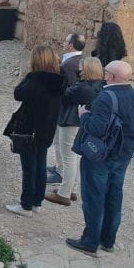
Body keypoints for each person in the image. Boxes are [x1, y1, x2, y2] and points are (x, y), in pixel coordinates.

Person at [66, 60, 134, 256]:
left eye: (106, 72)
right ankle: (108, 240)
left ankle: (90, 241)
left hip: (101, 156)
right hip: (124, 154)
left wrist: (84, 115)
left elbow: (95, 128)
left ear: (110, 76)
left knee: (94, 196)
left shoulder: (105, 97)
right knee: (114, 195)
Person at [5, 46, 66, 217]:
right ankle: (36, 202)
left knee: (29, 167)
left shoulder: (36, 80)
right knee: (40, 165)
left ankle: (26, 205)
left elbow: (18, 93)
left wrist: (28, 76)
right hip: (47, 128)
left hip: (30, 129)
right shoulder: (60, 80)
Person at [45, 57, 104, 206]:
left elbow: (62, 96)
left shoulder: (83, 88)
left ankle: (64, 193)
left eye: (82, 66)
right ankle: (72, 189)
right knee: (74, 157)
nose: (79, 69)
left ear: (87, 69)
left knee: (69, 158)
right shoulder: (98, 85)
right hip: (79, 123)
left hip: (70, 122)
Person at [46, 33, 87, 185]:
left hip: (66, 110)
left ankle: (62, 172)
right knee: (59, 140)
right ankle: (59, 167)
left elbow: (68, 88)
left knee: (62, 142)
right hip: (67, 108)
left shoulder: (70, 64)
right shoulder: (77, 60)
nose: (63, 42)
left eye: (66, 41)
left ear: (71, 45)